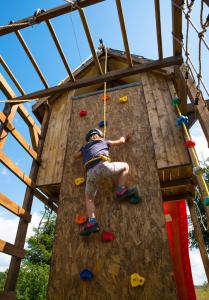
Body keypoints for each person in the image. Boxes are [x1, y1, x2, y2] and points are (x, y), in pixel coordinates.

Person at [74, 128, 135, 236]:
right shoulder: (104, 141)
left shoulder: (85, 147)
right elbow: (120, 142)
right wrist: (125, 137)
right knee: (125, 166)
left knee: (89, 198)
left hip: (91, 173)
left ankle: (92, 222)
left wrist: (82, 149)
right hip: (103, 166)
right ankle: (120, 190)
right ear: (100, 135)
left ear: (88, 139)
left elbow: (75, 156)